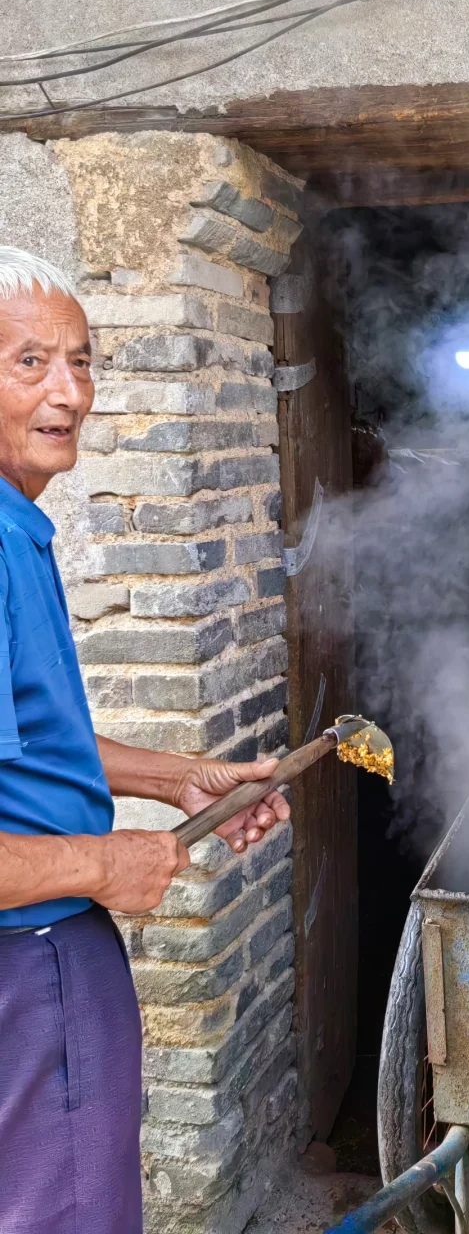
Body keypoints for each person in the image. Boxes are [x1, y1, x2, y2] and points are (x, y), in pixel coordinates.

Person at [0, 248, 290, 1232]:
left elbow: (32, 743)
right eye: (29, 362)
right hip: (26, 960)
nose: (70, 392)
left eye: (82, 361)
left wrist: (182, 779)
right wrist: (104, 862)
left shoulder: (15, 529)